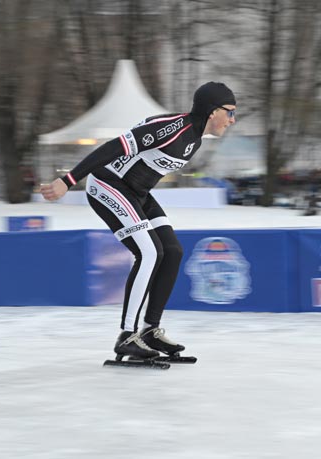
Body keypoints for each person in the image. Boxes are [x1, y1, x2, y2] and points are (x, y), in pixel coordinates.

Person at [41, 82, 237, 359]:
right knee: (148, 252)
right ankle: (127, 335)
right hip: (107, 184)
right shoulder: (172, 129)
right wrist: (68, 180)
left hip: (137, 192)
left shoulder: (195, 138)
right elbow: (113, 148)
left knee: (172, 252)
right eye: (229, 112)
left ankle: (149, 331)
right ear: (212, 110)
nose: (232, 120)